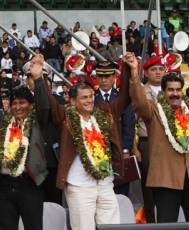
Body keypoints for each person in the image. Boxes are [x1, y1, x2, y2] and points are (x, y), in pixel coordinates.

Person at [48, 53, 133, 229]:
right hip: (79, 186)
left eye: (91, 96)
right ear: (72, 101)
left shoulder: (105, 113)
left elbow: (124, 97)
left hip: (105, 184)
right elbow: (50, 106)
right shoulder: (66, 117)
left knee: (111, 227)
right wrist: (39, 79)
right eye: (84, 97)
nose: (89, 101)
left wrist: (127, 69)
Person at [128, 53, 189, 223]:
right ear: (163, 91)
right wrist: (134, 71)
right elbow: (139, 102)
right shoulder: (154, 111)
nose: (175, 94)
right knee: (167, 224)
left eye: (177, 90)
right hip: (166, 180)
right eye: (170, 90)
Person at [0, 54, 50, 230]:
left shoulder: (36, 121)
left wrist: (38, 78)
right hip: (5, 186)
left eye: (22, 103)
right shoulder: (3, 122)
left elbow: (44, 105)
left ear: (31, 106)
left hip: (29, 184)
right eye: (14, 103)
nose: (18, 107)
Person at [132, 55, 166, 223]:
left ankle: (167, 217)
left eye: (161, 69)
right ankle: (151, 220)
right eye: (154, 69)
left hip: (168, 142)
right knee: (149, 183)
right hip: (147, 142)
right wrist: (134, 147)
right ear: (145, 72)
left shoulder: (172, 90)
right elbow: (131, 122)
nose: (158, 72)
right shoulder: (141, 92)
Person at [93, 62, 136, 196]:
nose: (104, 80)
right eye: (100, 76)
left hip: (119, 151)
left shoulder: (121, 97)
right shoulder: (91, 98)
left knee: (120, 192)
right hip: (96, 152)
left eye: (107, 76)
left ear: (114, 78)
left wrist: (125, 150)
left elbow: (128, 125)